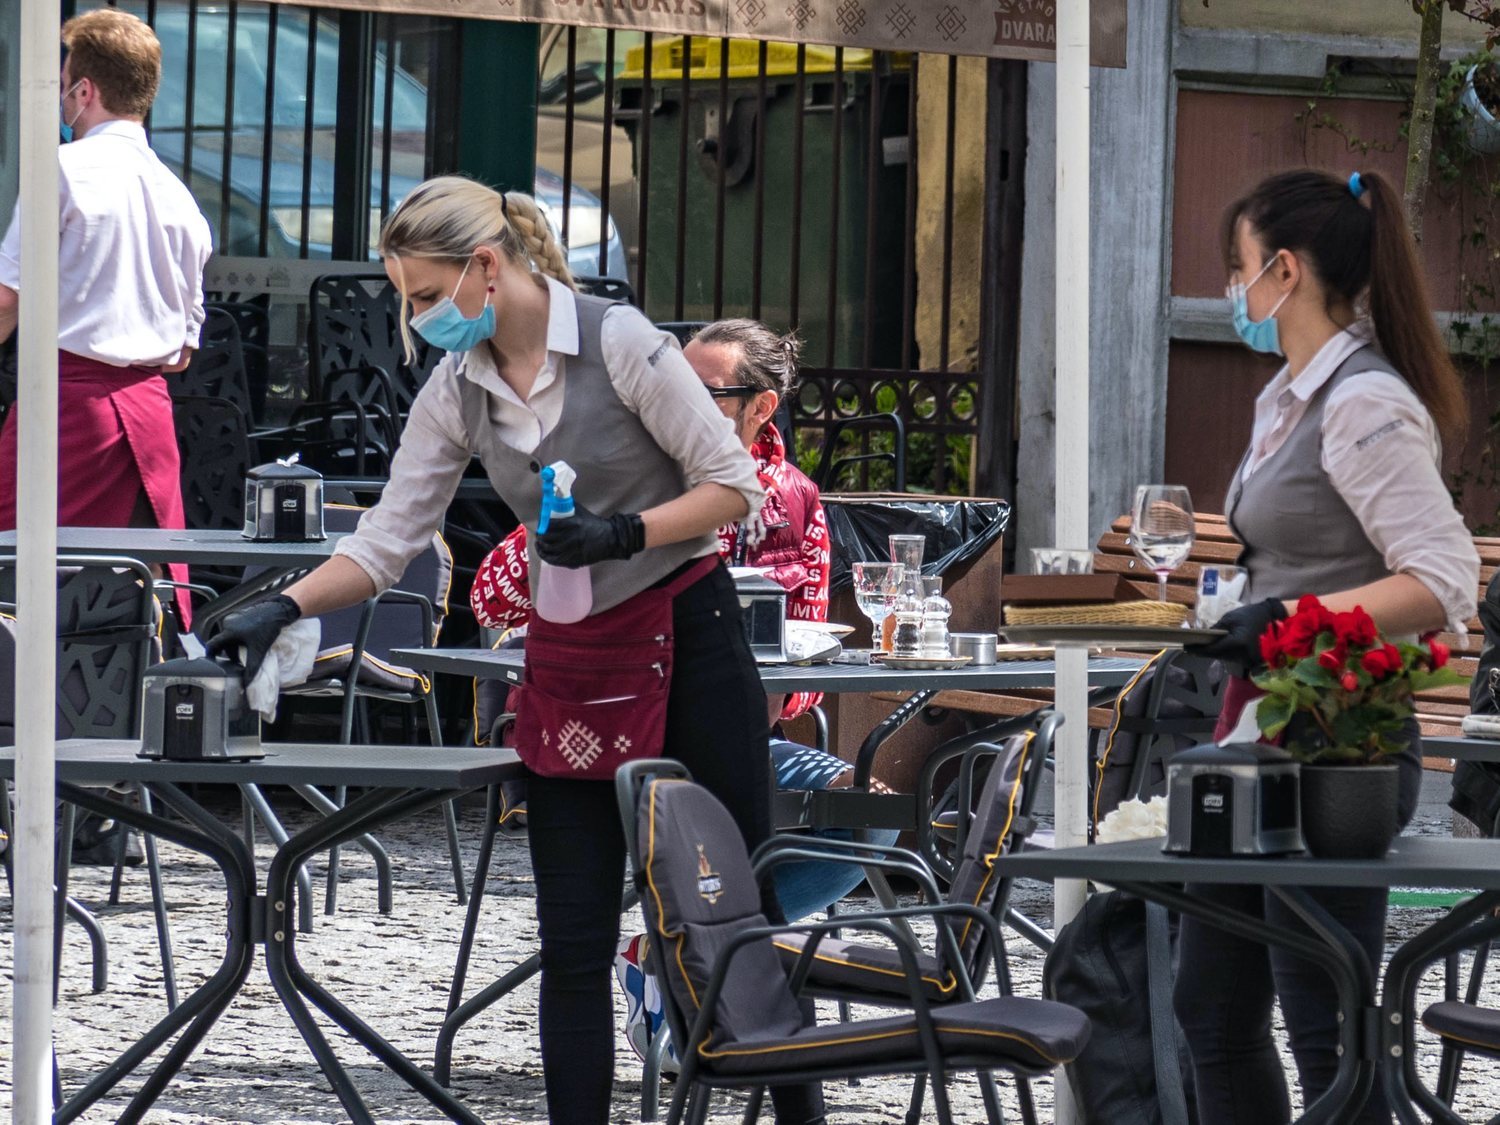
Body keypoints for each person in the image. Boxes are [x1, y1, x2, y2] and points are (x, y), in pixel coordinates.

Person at [205, 176, 825, 1125]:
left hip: (688, 635)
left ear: (484, 269)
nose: (413, 319)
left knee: (743, 913)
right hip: (572, 659)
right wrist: (278, 605)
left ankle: (797, 1118)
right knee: (571, 938)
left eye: (421, 295)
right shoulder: (459, 388)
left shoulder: (619, 342)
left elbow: (732, 483)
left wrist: (628, 534)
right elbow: (387, 538)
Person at [1182, 168, 1479, 1123]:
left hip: (1340, 749)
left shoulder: (1363, 401)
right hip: (1259, 738)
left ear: (1282, 269)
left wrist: (1289, 623)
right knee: (1212, 1009)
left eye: (1237, 270)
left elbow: (1442, 580)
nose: (1234, 295)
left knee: (1323, 1019)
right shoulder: (1289, 396)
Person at [470, 318, 898, 920]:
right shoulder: (627, 475)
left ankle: (692, 948)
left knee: (872, 816)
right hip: (605, 737)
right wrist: (576, 515)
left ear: (761, 407)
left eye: (705, 393)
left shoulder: (797, 500)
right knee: (702, 811)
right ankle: (708, 953)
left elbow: (802, 681)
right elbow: (490, 600)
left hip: (739, 740)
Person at [0, 9, 210, 626]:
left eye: (66, 80)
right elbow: (181, 354)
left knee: (18, 588)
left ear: (84, 90)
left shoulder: (60, 171)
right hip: (148, 417)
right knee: (134, 603)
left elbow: (7, 300)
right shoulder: (184, 201)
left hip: (64, 411)